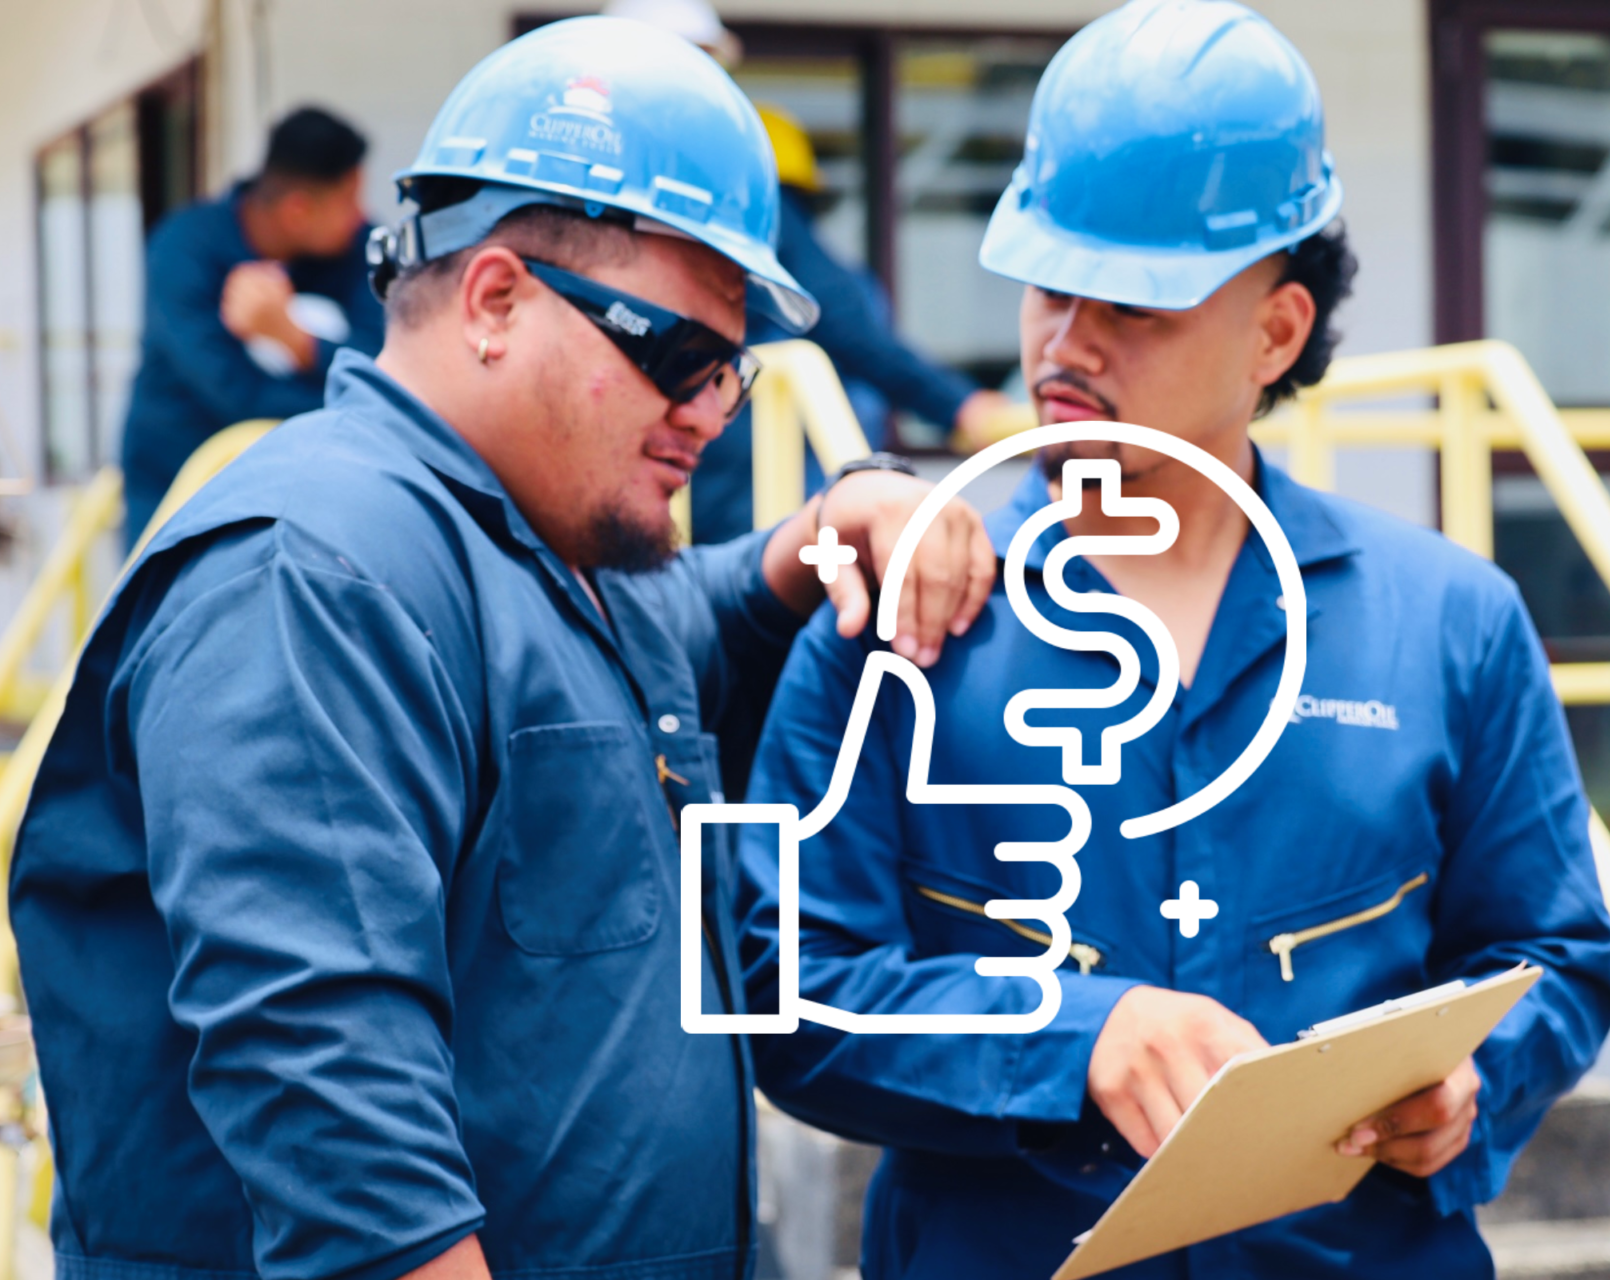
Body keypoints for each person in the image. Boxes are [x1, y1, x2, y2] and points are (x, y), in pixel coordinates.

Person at [11, 19, 992, 1280]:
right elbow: (340, 1133)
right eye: (680, 357)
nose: (708, 411)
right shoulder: (310, 576)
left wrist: (827, 524)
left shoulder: (559, 549)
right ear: (494, 299)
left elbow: (694, 627)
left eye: (734, 374)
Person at [736, 2, 1610, 1277]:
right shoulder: (896, 627)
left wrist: (1474, 1079)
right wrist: (1072, 1037)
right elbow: (798, 997)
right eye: (1051, 284)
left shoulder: (1448, 622)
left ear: (1277, 329)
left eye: (1136, 304)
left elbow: (1556, 952)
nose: (1067, 340)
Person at [688, 104, 1011, 543]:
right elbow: (845, 323)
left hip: (728, 492)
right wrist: (957, 403)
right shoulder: (775, 217)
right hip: (755, 494)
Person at [118, 105, 384, 544]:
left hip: (310, 490)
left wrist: (298, 341)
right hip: (177, 482)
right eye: (349, 200)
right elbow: (231, 391)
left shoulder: (359, 250)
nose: (361, 215)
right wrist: (347, 406)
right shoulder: (184, 249)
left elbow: (386, 362)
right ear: (299, 210)